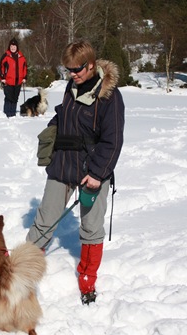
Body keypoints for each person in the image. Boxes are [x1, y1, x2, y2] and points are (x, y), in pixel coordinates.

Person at [26, 41, 125, 305]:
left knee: (91, 228)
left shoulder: (109, 96)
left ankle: (87, 279)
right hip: (63, 162)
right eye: (68, 69)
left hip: (93, 168)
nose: (72, 74)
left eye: (77, 69)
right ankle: (23, 272)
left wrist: (97, 173)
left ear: (91, 65)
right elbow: (63, 114)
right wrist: (51, 130)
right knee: (44, 219)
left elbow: (113, 140)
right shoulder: (72, 86)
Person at [0, 37, 27, 117]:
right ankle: (7, 113)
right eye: (11, 46)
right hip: (8, 81)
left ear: (17, 47)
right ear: (9, 47)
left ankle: (13, 113)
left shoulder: (21, 57)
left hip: (18, 81)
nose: (13, 48)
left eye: (14, 46)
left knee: (15, 97)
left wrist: (25, 77)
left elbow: (24, 68)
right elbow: (1, 67)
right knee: (8, 97)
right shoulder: (6, 56)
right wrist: (2, 78)